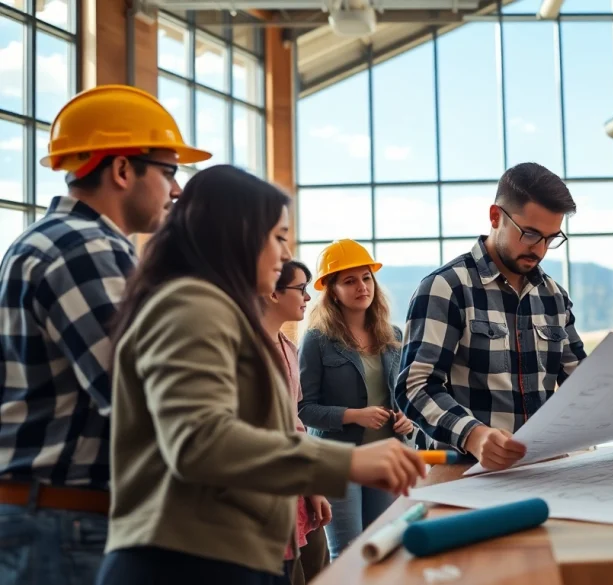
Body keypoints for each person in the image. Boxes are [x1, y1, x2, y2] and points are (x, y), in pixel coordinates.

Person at [95, 165, 425, 585]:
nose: (286, 256)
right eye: (279, 237)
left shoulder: (222, 314)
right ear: (238, 235)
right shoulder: (193, 306)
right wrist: (348, 461)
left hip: (217, 554)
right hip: (189, 562)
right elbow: (201, 441)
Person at [0, 84, 210, 585]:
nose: (176, 191)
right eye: (169, 172)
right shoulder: (85, 247)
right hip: (62, 521)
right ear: (121, 170)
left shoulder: (47, 241)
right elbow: (141, 396)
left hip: (47, 517)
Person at [396, 162, 613, 472]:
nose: (540, 250)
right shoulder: (446, 288)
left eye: (551, 238)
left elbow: (583, 388)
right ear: (495, 216)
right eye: (530, 234)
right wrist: (473, 436)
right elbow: (415, 386)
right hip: (464, 470)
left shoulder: (553, 296)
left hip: (542, 470)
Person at [297, 239, 424, 559]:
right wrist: (353, 415)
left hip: (387, 458)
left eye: (366, 278)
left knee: (386, 547)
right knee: (349, 552)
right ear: (332, 291)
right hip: (339, 460)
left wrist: (407, 420)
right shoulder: (317, 340)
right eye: (349, 281)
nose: (362, 287)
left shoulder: (392, 335)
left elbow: (402, 396)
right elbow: (303, 409)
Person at [261, 260, 331, 585]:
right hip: (272, 494)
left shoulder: (289, 347)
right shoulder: (247, 352)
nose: (307, 297)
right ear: (273, 293)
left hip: (301, 486)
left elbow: (296, 423)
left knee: (322, 571)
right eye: (301, 288)